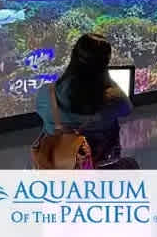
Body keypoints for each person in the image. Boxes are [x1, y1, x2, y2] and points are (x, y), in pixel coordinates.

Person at [35, 33, 137, 169]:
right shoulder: (115, 99)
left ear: (73, 57)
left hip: (57, 161)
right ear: (104, 64)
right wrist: (106, 79)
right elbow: (127, 109)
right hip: (99, 161)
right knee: (131, 164)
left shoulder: (46, 94)